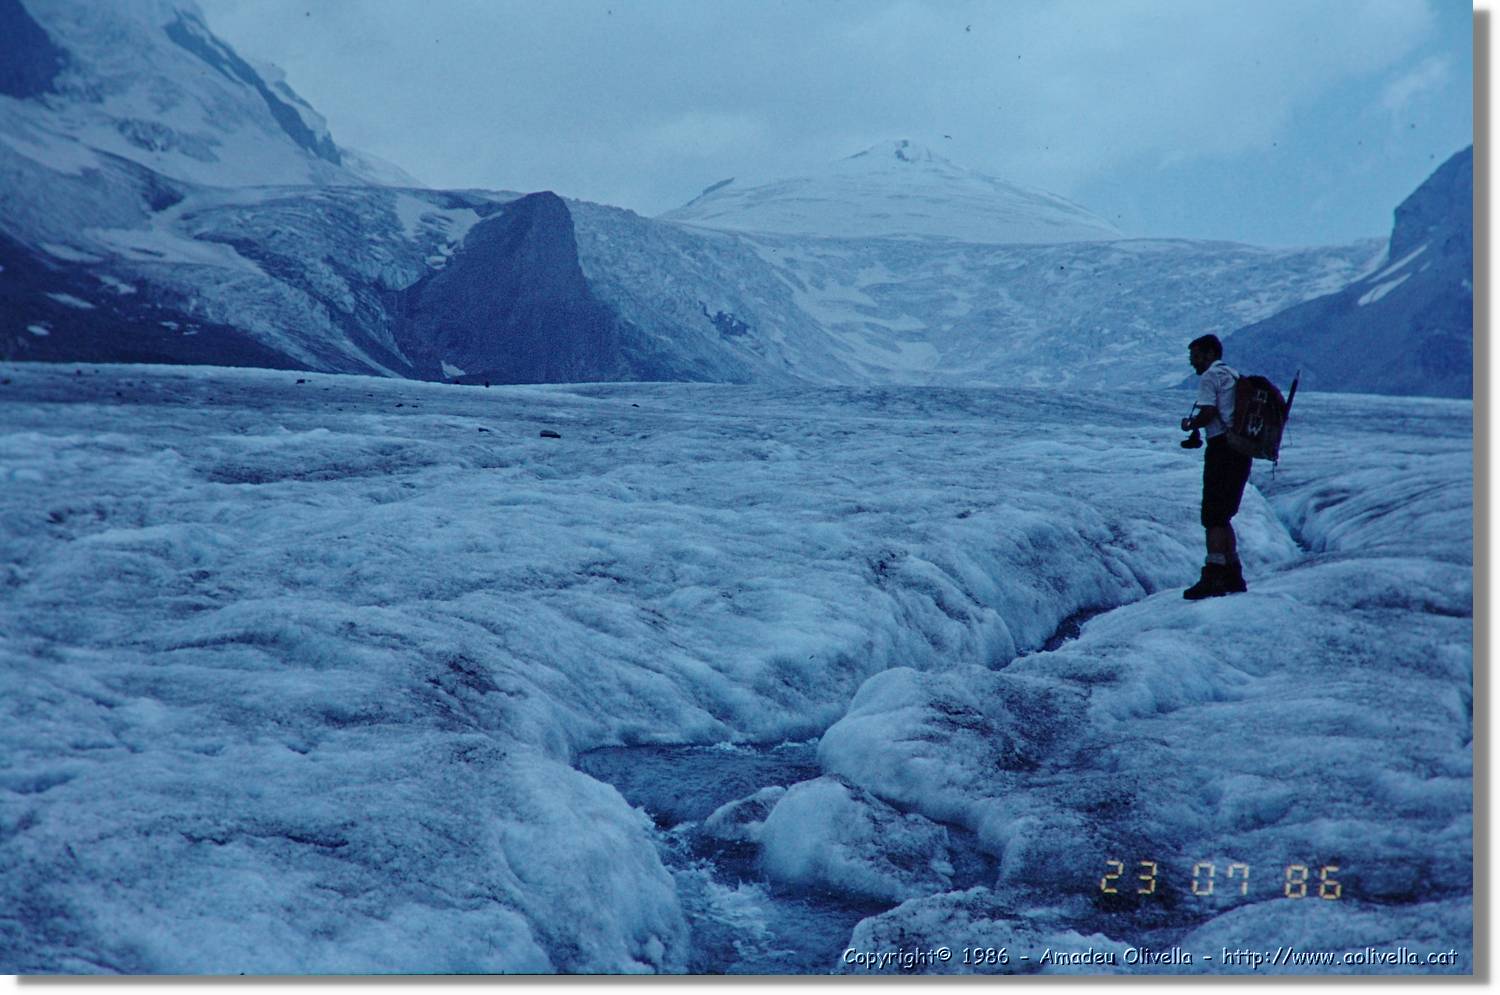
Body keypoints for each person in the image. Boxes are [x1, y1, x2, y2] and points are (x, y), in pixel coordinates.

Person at [1180, 334, 1251, 599]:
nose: (1193, 363)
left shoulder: (1210, 376)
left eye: (1196, 357)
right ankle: (1233, 574)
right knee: (1224, 514)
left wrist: (1191, 424)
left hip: (1222, 448)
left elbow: (1209, 412)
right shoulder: (1232, 374)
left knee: (1212, 516)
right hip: (1241, 449)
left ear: (1210, 354)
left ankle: (1213, 576)